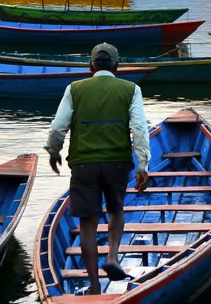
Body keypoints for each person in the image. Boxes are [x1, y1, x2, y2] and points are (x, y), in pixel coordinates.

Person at [45, 42, 151, 290]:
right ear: (117, 66)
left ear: (91, 66)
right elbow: (139, 129)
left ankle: (94, 285)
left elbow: (58, 126)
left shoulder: (75, 89)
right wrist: (143, 165)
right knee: (116, 209)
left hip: (84, 165)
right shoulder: (130, 89)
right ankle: (113, 256)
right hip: (117, 163)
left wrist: (54, 151)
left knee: (87, 224)